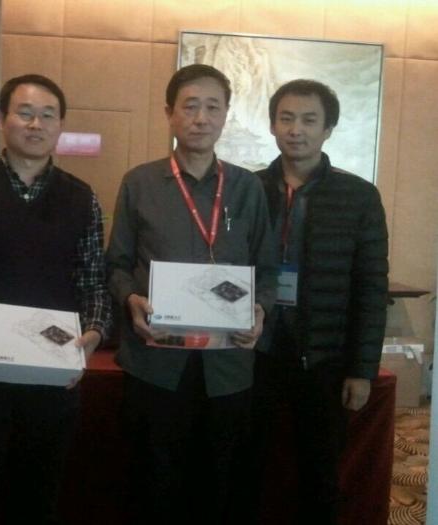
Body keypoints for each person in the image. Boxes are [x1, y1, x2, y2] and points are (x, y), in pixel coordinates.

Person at [0, 73, 112, 525]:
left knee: (37, 497)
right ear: (2, 119)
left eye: (48, 115)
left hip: (52, 378)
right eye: (25, 113)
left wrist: (93, 334)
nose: (36, 124)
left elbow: (94, 282)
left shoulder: (82, 198)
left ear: (60, 125)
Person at [105, 64, 278, 524]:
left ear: (225, 115)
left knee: (218, 485)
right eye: (190, 106)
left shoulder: (247, 188)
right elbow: (116, 264)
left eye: (212, 107)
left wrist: (261, 310)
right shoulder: (139, 182)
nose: (201, 118)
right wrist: (130, 300)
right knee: (153, 483)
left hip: (227, 366)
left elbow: (267, 269)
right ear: (170, 113)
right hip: (156, 363)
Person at [249, 79, 389, 524]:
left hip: (324, 358)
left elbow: (371, 286)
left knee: (320, 473)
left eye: (309, 120)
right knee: (247, 468)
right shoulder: (248, 188)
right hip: (255, 351)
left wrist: (362, 370)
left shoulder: (359, 196)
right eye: (286, 118)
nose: (296, 130)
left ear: (328, 128)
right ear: (272, 125)